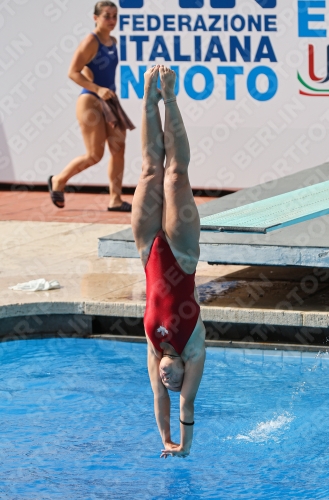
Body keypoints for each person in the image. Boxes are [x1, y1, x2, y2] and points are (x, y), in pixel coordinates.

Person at [132, 65, 206, 458]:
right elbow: (184, 406)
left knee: (148, 172)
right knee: (175, 175)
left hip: (148, 252)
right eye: (174, 381)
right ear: (184, 374)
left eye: (168, 381)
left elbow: (159, 402)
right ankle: (171, 96)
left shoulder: (152, 349)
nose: (167, 379)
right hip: (183, 253)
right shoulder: (193, 349)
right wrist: (185, 445)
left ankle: (148, 97)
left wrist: (164, 441)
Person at [48, 1, 135, 212]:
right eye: (107, 16)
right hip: (90, 100)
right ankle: (59, 180)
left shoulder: (113, 41)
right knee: (95, 155)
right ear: (95, 18)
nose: (112, 20)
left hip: (109, 100)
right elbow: (73, 72)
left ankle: (115, 199)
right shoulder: (91, 40)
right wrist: (96, 89)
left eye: (115, 16)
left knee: (118, 148)